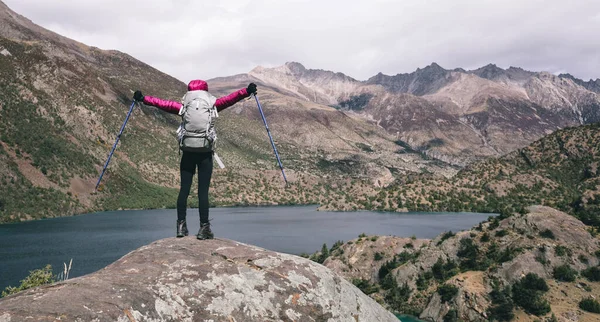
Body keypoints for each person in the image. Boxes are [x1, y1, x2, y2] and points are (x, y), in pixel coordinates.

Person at [133, 80, 257, 239]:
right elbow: (230, 99)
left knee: (184, 190)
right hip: (205, 152)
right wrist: (247, 91)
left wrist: (143, 99)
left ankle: (180, 226)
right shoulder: (212, 105)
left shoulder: (183, 107)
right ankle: (204, 228)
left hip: (187, 151)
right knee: (202, 191)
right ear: (206, 92)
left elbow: (163, 104)